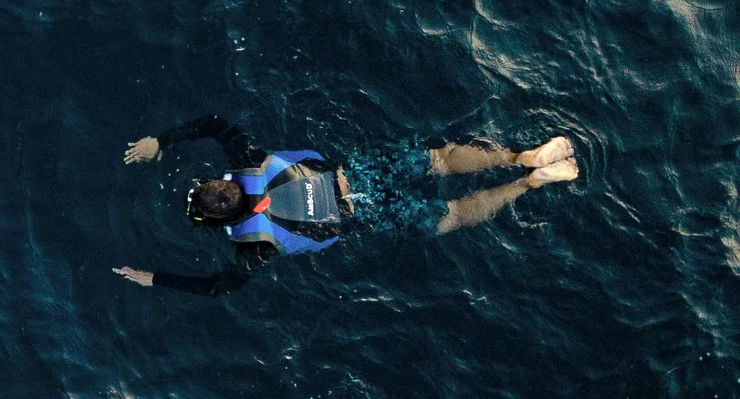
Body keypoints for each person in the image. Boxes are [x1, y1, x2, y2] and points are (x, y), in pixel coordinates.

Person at [111, 115, 580, 295]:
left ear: (222, 222)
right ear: (224, 182)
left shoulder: (256, 249)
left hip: (366, 213)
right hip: (358, 174)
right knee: (438, 160)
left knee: (453, 215)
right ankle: (521, 156)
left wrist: (157, 278)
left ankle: (528, 183)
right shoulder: (251, 160)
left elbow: (218, 288)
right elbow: (216, 123)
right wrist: (162, 139)